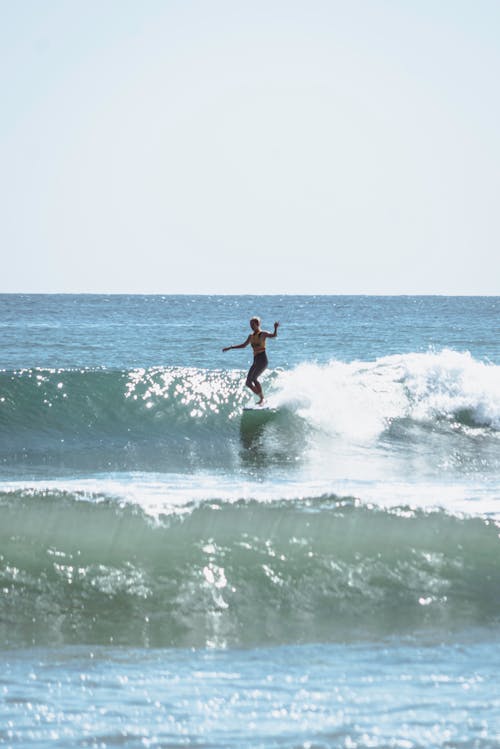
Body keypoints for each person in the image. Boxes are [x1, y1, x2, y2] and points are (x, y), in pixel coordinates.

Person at [223, 317, 279, 405]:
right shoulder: (251, 336)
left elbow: (274, 336)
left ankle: (262, 399)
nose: (251, 326)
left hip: (262, 359)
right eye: (250, 325)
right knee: (248, 382)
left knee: (254, 378)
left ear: (258, 324)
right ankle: (262, 397)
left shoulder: (262, 334)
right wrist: (231, 347)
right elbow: (244, 345)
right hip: (256, 360)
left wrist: (275, 328)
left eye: (253, 324)